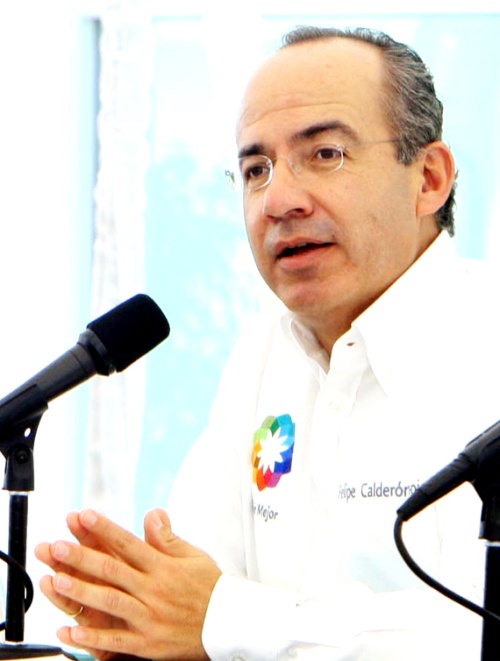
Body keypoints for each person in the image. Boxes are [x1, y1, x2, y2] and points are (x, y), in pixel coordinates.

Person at [35, 25, 500, 660]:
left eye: (326, 154)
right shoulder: (262, 356)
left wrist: (225, 622)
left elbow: (478, 628)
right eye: (256, 169)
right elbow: (193, 591)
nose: (278, 200)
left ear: (429, 178)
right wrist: (139, 624)